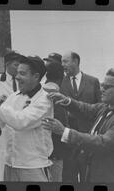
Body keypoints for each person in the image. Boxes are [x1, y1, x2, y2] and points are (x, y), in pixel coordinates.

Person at [0, 56, 53, 182]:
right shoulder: (14, 97)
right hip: (10, 165)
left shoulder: (45, 100)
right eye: (17, 72)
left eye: (22, 73)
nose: (17, 77)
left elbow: (20, 122)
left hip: (33, 167)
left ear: (36, 77)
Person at [42, 68, 114, 183]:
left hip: (113, 179)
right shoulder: (107, 107)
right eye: (102, 85)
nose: (101, 89)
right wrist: (66, 101)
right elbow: (86, 109)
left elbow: (102, 142)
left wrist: (64, 132)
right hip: (96, 173)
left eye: (107, 86)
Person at [60, 51, 101, 182]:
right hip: (67, 140)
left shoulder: (93, 81)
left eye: (65, 61)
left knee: (87, 178)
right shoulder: (60, 82)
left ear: (76, 62)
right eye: (61, 62)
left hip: (87, 138)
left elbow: (99, 107)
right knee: (68, 177)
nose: (62, 65)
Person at [0, 51, 24, 180]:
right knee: (3, 163)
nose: (19, 68)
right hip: (3, 129)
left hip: (20, 127)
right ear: (7, 64)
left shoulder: (23, 82)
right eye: (16, 65)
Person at [43, 53, 68, 182]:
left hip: (43, 150)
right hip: (55, 151)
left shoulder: (40, 91)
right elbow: (58, 124)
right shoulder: (55, 95)